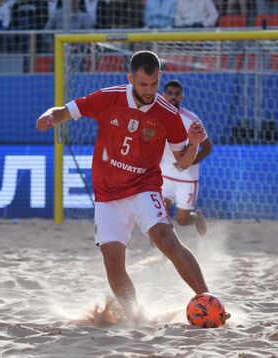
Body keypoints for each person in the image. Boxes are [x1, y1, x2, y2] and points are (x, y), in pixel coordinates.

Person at [35, 51, 227, 322]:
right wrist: (49, 116)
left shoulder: (168, 113)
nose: (149, 91)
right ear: (130, 79)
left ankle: (208, 301)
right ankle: (136, 316)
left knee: (166, 240)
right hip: (107, 194)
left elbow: (182, 162)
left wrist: (193, 144)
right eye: (142, 85)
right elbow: (65, 111)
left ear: (159, 78)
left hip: (143, 186)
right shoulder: (108, 97)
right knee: (112, 261)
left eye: (154, 84)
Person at [160, 80, 213, 236]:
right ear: (164, 96)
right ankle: (158, 250)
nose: (173, 97)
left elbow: (207, 147)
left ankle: (196, 217)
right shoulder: (156, 116)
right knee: (158, 216)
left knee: (182, 221)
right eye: (170, 93)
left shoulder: (191, 119)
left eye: (176, 94)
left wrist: (188, 163)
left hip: (187, 178)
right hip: (164, 175)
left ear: (181, 97)